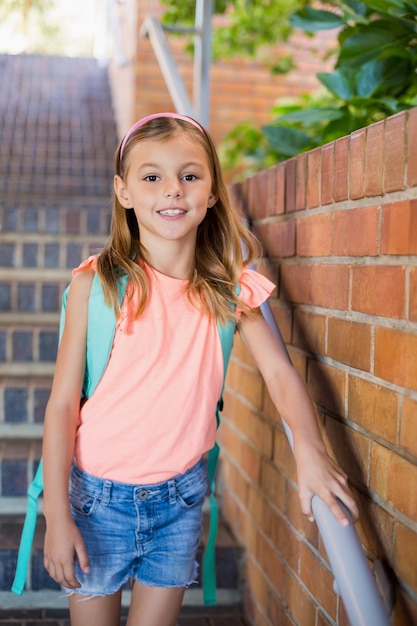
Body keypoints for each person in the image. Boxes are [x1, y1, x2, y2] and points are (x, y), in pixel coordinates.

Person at [42, 112, 358, 626]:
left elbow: (279, 373)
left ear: (212, 191)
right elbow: (61, 405)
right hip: (96, 500)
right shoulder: (95, 285)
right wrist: (58, 513)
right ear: (123, 192)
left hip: (181, 500)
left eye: (190, 176)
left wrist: (313, 455)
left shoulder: (230, 290)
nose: (173, 190)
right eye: (152, 177)